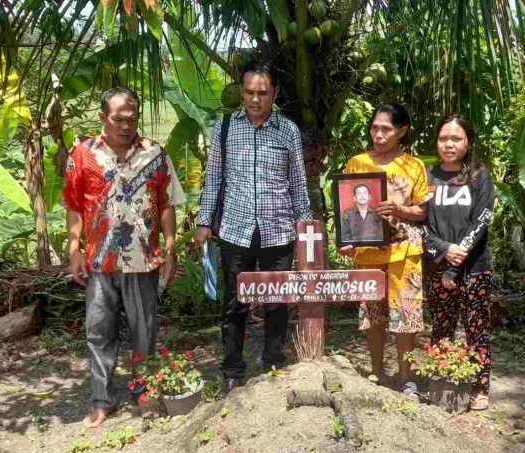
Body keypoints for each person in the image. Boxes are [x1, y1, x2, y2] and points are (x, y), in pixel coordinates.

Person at [62, 87, 186, 428]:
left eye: (132, 119)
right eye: (119, 119)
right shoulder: (83, 154)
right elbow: (74, 206)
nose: (126, 125)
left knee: (144, 330)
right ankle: (102, 401)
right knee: (99, 331)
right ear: (104, 117)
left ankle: (145, 391)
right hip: (99, 262)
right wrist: (73, 251)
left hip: (143, 260)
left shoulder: (155, 154)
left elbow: (167, 205)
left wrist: (171, 247)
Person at [195, 61, 312, 392]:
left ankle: (273, 362)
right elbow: (214, 176)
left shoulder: (287, 131)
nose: (256, 99)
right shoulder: (227, 126)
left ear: (274, 93)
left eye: (263, 93)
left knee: (277, 302)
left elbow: (298, 184)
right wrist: (205, 221)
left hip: (278, 231)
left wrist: (305, 229)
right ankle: (232, 369)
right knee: (234, 303)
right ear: (241, 91)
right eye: (249, 92)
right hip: (235, 229)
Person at [338, 102, 428, 391]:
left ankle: (405, 377)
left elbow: (424, 212)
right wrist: (347, 241)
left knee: (406, 314)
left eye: (386, 129)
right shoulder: (357, 163)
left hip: (405, 251)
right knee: (372, 314)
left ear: (402, 131)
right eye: (375, 127)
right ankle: (376, 372)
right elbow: (347, 208)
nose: (378, 134)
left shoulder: (414, 166)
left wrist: (400, 209)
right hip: (367, 251)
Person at [423, 114, 495, 410]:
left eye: (456, 138)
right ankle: (441, 381)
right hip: (435, 265)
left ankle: (479, 387)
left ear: (468, 142)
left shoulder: (479, 176)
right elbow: (420, 222)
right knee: (441, 325)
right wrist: (442, 250)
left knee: (476, 327)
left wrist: (455, 263)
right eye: (443, 138)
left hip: (474, 267)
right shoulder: (426, 176)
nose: (448, 144)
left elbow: (482, 221)